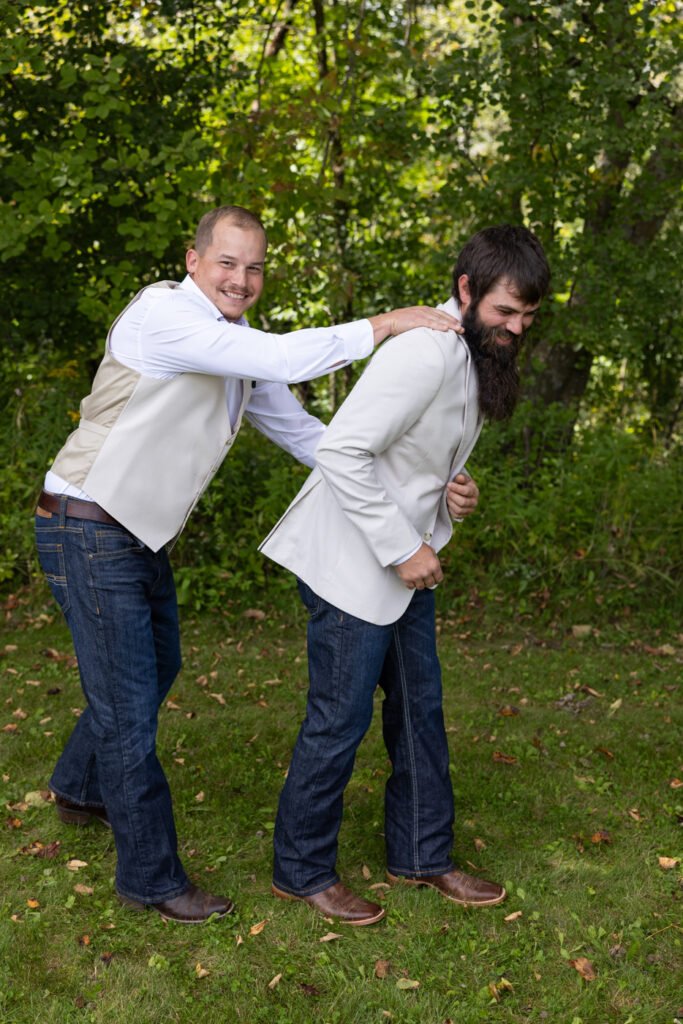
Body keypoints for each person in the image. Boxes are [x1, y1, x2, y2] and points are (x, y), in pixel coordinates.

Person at [34, 204, 468, 925]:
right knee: (128, 713)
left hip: (133, 536)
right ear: (193, 259)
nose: (241, 279)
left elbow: (304, 433)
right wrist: (387, 323)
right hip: (86, 526)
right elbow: (284, 358)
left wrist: (412, 488)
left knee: (154, 669)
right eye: (228, 262)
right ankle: (150, 878)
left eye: (255, 267)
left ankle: (80, 788)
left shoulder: (229, 346)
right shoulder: (164, 315)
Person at [259, 224, 551, 925]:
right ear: (466, 289)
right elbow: (343, 451)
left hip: (403, 568)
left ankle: (421, 855)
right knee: (339, 721)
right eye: (505, 311)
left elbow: (414, 453)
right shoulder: (424, 351)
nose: (516, 328)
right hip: (352, 566)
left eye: (527, 316)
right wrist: (400, 547)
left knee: (419, 711)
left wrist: (456, 489)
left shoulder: (472, 351)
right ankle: (301, 871)